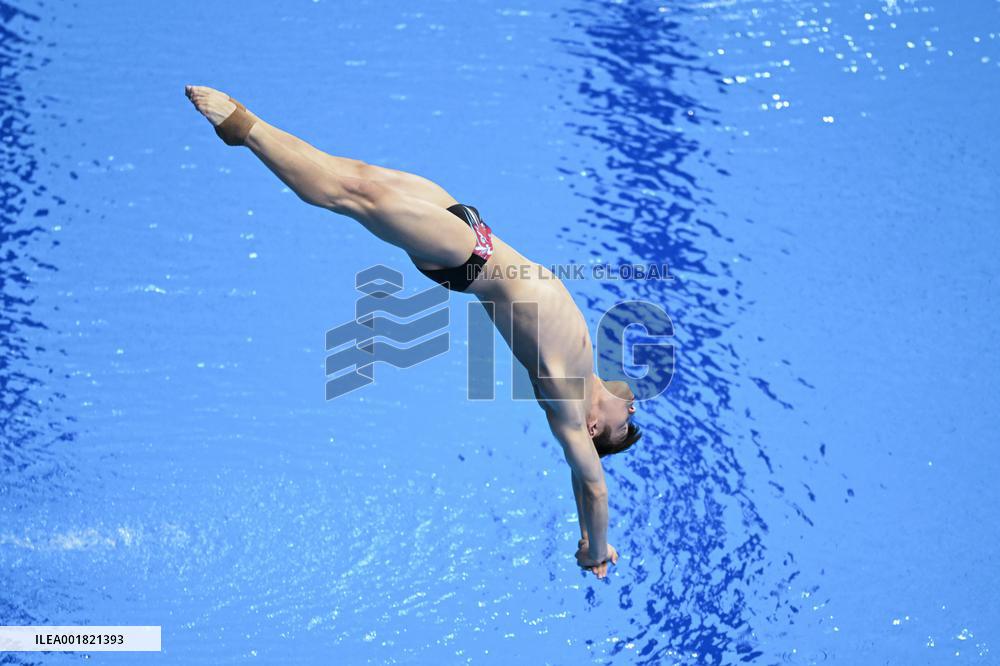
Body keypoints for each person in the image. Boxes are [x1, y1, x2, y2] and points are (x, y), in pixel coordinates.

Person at [185, 86, 641, 579]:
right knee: (351, 174)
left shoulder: (568, 410)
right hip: (472, 230)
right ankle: (250, 129)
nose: (633, 407)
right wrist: (585, 529)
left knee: (348, 195)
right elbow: (582, 478)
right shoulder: (583, 374)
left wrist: (597, 549)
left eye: (623, 425)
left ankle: (243, 128)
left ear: (593, 429)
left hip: (469, 255)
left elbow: (593, 484)